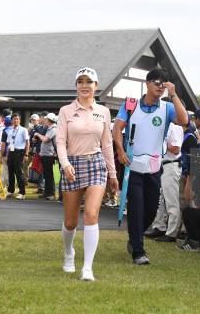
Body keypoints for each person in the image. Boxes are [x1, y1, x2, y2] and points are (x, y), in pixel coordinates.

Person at [112, 68, 188, 265]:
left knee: (152, 210)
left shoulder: (167, 107)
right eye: (157, 83)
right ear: (147, 83)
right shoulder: (130, 104)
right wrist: (120, 151)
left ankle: (134, 236)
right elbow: (117, 129)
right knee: (136, 208)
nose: (160, 87)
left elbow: (184, 120)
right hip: (133, 166)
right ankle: (138, 250)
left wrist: (174, 95)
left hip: (155, 167)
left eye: (164, 84)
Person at [55, 67, 118, 281]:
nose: (84, 85)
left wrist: (113, 174)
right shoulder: (65, 111)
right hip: (71, 165)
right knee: (71, 222)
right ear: (76, 86)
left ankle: (88, 268)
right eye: (80, 81)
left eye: (88, 82)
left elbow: (107, 144)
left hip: (96, 164)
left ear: (96, 86)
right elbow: (60, 141)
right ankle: (68, 253)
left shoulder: (103, 111)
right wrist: (64, 164)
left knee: (91, 214)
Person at [149, 118, 184, 243]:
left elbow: (176, 149)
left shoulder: (175, 126)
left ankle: (172, 233)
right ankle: (159, 227)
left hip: (172, 165)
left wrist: (161, 142)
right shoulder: (164, 125)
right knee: (161, 199)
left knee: (171, 201)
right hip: (162, 165)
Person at [3, 114, 29, 199]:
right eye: (14, 119)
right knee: (10, 172)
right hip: (11, 152)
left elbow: (27, 142)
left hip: (19, 152)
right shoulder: (10, 131)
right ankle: (11, 190)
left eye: (17, 119)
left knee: (19, 172)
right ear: (11, 121)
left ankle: (22, 192)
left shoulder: (23, 130)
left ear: (19, 120)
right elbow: (8, 144)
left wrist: (26, 154)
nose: (15, 121)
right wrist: (7, 155)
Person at [35, 113, 58, 200]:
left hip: (49, 155)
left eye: (46, 119)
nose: (45, 120)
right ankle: (47, 193)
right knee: (46, 174)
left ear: (49, 120)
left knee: (49, 175)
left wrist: (37, 134)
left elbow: (45, 139)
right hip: (46, 154)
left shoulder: (53, 129)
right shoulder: (49, 128)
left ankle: (51, 194)